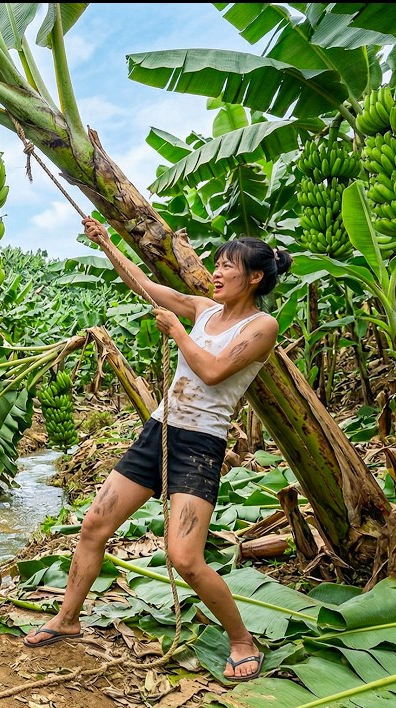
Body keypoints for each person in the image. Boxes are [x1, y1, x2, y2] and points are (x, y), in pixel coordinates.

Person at [22, 217, 291, 683]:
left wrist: (178, 333)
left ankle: (243, 640)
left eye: (228, 266)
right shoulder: (203, 308)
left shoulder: (262, 325)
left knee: (185, 557)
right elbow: (144, 284)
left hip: (201, 446)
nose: (217, 272)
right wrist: (106, 243)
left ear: (255, 277)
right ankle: (67, 618)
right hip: (159, 431)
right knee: (94, 525)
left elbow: (212, 371)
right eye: (218, 265)